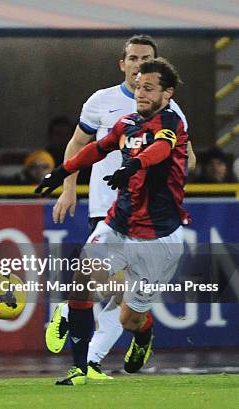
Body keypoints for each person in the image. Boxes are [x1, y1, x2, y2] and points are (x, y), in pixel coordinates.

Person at [46, 35, 196, 380]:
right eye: (134, 63)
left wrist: (139, 164)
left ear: (165, 92)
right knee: (86, 279)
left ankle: (140, 333)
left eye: (148, 81)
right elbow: (93, 146)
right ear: (123, 63)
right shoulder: (114, 111)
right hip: (112, 214)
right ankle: (83, 366)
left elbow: (163, 146)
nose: (140, 86)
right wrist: (63, 175)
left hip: (158, 235)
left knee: (129, 312)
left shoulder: (172, 118)